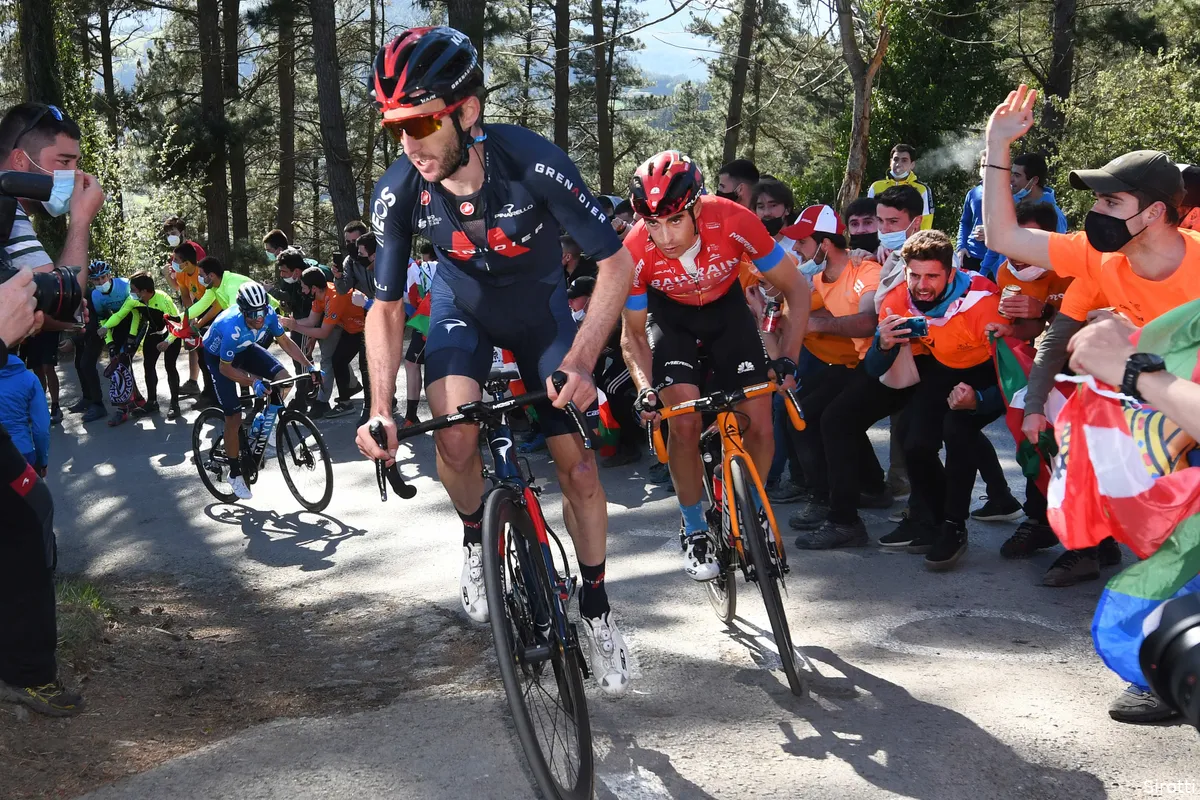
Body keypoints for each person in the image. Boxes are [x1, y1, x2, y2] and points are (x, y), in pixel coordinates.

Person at [356, 26, 635, 695]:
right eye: (395, 128)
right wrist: (379, 410)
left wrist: (586, 359)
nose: (410, 143)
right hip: (465, 312)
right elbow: (386, 308)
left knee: (583, 472)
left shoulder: (532, 161)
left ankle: (595, 608)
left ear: (467, 111)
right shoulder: (400, 192)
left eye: (421, 122)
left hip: (541, 314)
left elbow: (615, 262)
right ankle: (477, 539)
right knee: (453, 438)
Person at [984, 84, 1200, 722]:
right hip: (1161, 426)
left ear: (1157, 212)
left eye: (1112, 199)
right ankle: (1166, 667)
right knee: (1161, 542)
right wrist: (997, 149)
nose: (1097, 211)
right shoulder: (1101, 257)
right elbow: (1002, 234)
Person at [619, 150, 810, 581]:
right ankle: (694, 526)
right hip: (672, 320)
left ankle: (751, 507)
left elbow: (796, 290)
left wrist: (788, 359)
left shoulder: (735, 219)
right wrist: (645, 387)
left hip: (728, 312)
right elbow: (631, 335)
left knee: (760, 420)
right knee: (683, 423)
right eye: (652, 223)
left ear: (696, 206)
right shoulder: (634, 249)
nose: (664, 236)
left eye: (673, 220)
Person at [0, 270, 82, 717]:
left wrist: (79, 220)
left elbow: (60, 290)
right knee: (34, 521)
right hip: (24, 454)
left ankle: (24, 670)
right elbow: (39, 426)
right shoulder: (27, 379)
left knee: (32, 516)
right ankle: (27, 674)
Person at [778, 205, 887, 534]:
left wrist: (814, 324)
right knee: (812, 414)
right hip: (858, 364)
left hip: (888, 365)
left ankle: (834, 507)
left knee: (827, 419)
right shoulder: (816, 277)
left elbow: (869, 321)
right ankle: (869, 489)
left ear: (824, 245)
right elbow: (788, 313)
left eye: (802, 242)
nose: (796, 248)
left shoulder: (865, 270)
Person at [0, 103, 105, 425]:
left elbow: (51, 304)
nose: (76, 175)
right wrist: (81, 219)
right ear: (21, 160)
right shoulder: (6, 208)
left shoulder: (9, 216)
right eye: (64, 162)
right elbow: (65, 299)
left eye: (77, 163)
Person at [204, 282, 315, 500]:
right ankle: (235, 473)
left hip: (245, 348)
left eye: (262, 311)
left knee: (285, 380)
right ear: (243, 311)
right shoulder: (231, 327)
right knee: (233, 418)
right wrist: (252, 381)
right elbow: (226, 368)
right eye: (253, 313)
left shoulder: (268, 313)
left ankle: (265, 421)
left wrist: (309, 366)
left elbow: (285, 341)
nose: (259, 318)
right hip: (219, 359)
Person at [568, 275, 639, 467]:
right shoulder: (590, 315)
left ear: (591, 297)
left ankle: (630, 446)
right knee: (604, 385)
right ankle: (621, 438)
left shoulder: (609, 311)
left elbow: (595, 349)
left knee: (612, 389)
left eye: (575, 297)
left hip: (636, 356)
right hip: (620, 357)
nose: (571, 302)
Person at [284, 267, 370, 422]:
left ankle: (383, 401)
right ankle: (347, 398)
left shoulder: (334, 297)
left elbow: (323, 332)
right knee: (337, 361)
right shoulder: (319, 296)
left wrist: (295, 326)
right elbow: (311, 321)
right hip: (350, 329)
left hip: (366, 328)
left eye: (304, 287)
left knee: (360, 365)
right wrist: (286, 323)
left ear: (314, 288)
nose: (302, 291)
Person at [99, 271, 184, 419]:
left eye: (133, 290)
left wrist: (167, 341)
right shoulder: (134, 300)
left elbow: (178, 325)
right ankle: (152, 402)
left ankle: (174, 404)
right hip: (153, 332)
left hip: (172, 333)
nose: (130, 292)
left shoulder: (163, 299)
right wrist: (106, 327)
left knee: (170, 366)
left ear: (144, 291)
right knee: (148, 366)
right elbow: (119, 315)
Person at [978, 152, 1069, 280]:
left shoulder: (1055, 215)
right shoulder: (1009, 203)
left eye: (1017, 175)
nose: (1011, 179)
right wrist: (983, 272)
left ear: (1034, 180)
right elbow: (997, 245)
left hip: (1033, 287)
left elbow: (1056, 258)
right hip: (1002, 279)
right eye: (1012, 173)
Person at [161, 217, 206, 398]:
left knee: (204, 345)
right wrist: (166, 275)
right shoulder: (175, 255)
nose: (170, 237)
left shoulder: (195, 250)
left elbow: (202, 277)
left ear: (182, 232)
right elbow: (178, 286)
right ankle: (193, 382)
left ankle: (213, 383)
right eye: (167, 234)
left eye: (173, 233)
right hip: (190, 303)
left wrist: (195, 308)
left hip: (203, 302)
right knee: (191, 342)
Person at [0, 327, 51, 477]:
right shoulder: (30, 380)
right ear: (20, 343)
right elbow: (41, 429)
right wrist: (42, 462)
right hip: (22, 454)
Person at [401, 244, 437, 426]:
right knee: (412, 363)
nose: (424, 264)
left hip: (431, 319)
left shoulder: (416, 268)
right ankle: (411, 415)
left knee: (432, 366)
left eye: (426, 260)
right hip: (423, 318)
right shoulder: (413, 268)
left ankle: (439, 416)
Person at [867, 144, 934, 229]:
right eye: (896, 159)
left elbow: (926, 221)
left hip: (910, 240)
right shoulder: (875, 187)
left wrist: (920, 242)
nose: (899, 164)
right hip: (881, 239)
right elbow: (869, 217)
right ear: (890, 162)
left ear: (912, 165)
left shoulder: (922, 189)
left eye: (904, 160)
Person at [956, 151, 989, 273]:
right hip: (971, 256)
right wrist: (961, 247)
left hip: (998, 258)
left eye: (989, 165)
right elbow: (965, 222)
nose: (985, 169)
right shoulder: (973, 193)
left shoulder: (1011, 193)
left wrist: (991, 235)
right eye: (982, 165)